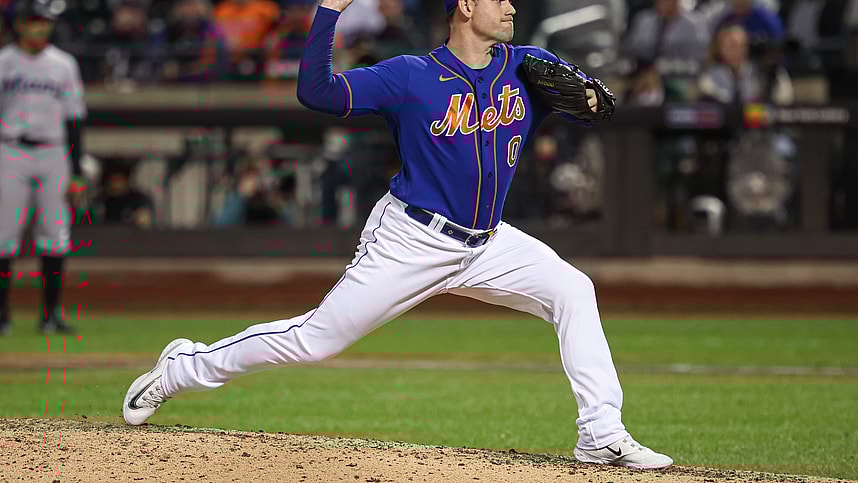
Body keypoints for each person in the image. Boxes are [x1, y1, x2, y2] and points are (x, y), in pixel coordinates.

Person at [122, 0, 674, 470]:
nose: (510, 8)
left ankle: (600, 434)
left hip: (489, 242)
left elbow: (593, 109)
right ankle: (181, 369)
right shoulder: (409, 75)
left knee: (573, 290)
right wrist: (329, 12)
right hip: (412, 240)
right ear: (464, 5)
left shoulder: (527, 65)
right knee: (316, 340)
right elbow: (317, 94)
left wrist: (596, 103)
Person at [0, 0, 87, 335]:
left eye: (45, 21)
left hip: (54, 151)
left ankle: (50, 316)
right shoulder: (4, 62)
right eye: (35, 20)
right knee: (4, 234)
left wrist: (77, 171)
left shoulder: (63, 64)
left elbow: (75, 118)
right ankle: (3, 316)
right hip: (10, 148)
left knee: (55, 233)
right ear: (20, 23)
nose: (41, 27)